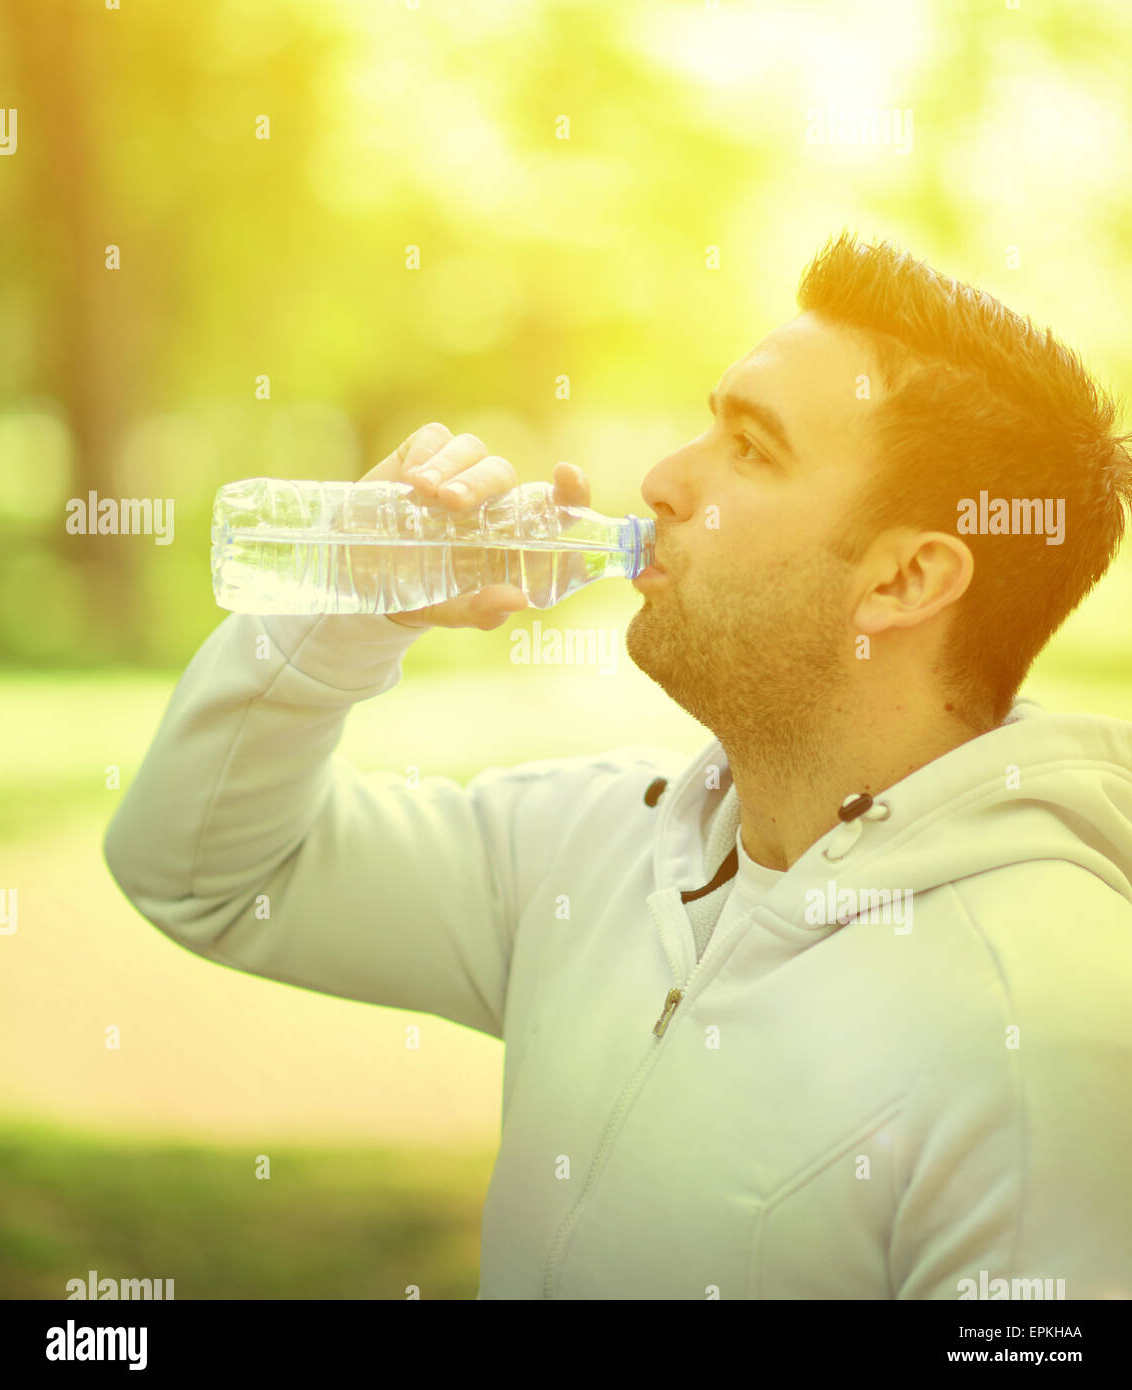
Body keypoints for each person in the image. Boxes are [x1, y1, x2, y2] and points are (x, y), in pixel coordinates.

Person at [104, 231, 1132, 1299]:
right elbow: (204, 873)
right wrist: (351, 603)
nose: (661, 480)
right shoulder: (593, 849)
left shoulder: (1042, 1043)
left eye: (750, 448)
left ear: (903, 578)